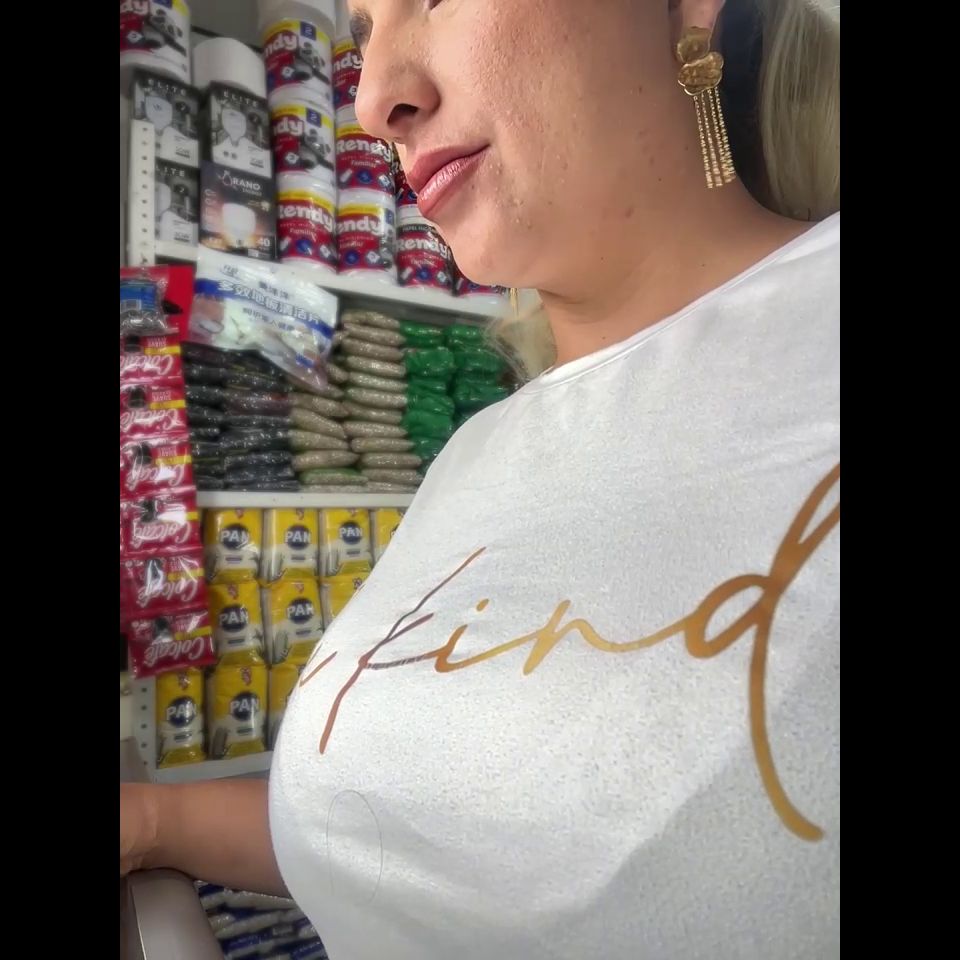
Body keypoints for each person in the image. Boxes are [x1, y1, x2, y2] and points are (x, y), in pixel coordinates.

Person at [121, 1, 840, 957]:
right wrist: (154, 823)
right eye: (363, 32)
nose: (373, 101)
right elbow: (422, 842)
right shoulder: (477, 452)